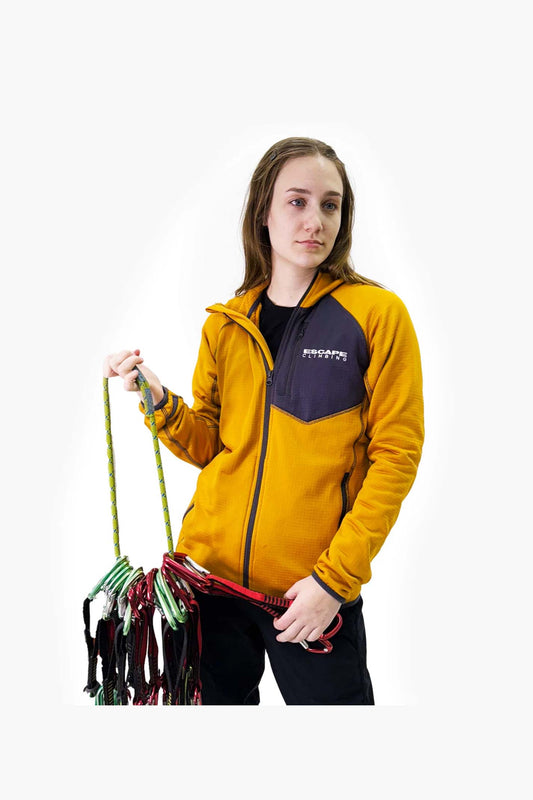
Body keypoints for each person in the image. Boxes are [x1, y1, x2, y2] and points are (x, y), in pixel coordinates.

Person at [104, 136, 424, 705]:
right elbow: (210, 445)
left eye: (330, 205)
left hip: (308, 595)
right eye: (297, 201)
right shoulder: (227, 324)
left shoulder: (377, 316)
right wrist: (159, 400)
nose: (315, 221)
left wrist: (333, 583)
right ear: (264, 214)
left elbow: (396, 457)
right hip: (210, 584)